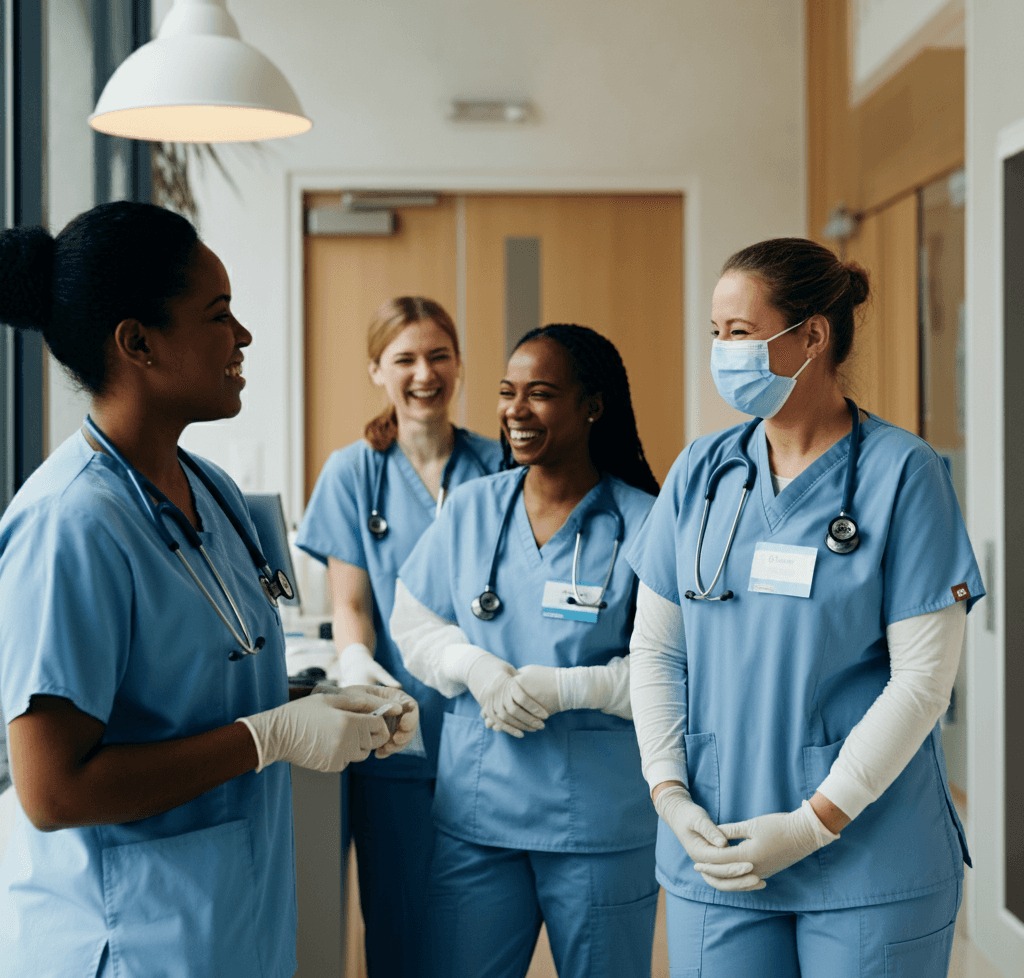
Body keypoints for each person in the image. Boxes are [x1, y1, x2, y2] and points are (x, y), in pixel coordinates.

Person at [0, 202, 418, 978]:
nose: (244, 337)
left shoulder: (210, 490)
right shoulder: (72, 524)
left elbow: (196, 682)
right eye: (219, 314)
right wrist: (273, 737)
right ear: (138, 343)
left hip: (229, 925)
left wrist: (315, 705)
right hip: (125, 939)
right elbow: (52, 790)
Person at [627, 237, 982, 978]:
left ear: (811, 336)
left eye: (741, 334)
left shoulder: (903, 473)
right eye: (717, 334)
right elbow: (658, 651)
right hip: (716, 852)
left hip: (868, 860)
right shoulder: (703, 470)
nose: (723, 352)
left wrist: (812, 824)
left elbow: (921, 683)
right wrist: (667, 791)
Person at [390, 323, 662, 978]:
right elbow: (414, 622)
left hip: (599, 824)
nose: (515, 410)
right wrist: (474, 667)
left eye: (539, 394)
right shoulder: (472, 508)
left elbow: (671, 668)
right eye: (508, 392)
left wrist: (570, 688)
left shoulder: (647, 522)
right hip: (479, 811)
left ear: (592, 405)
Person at [295, 296, 502, 977]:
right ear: (376, 371)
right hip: (396, 734)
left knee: (481, 932)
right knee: (400, 928)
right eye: (405, 359)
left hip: (489, 735)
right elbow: (352, 602)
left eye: (439, 356)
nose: (424, 373)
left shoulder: (500, 466)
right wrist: (355, 660)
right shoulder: (354, 473)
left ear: (460, 365)